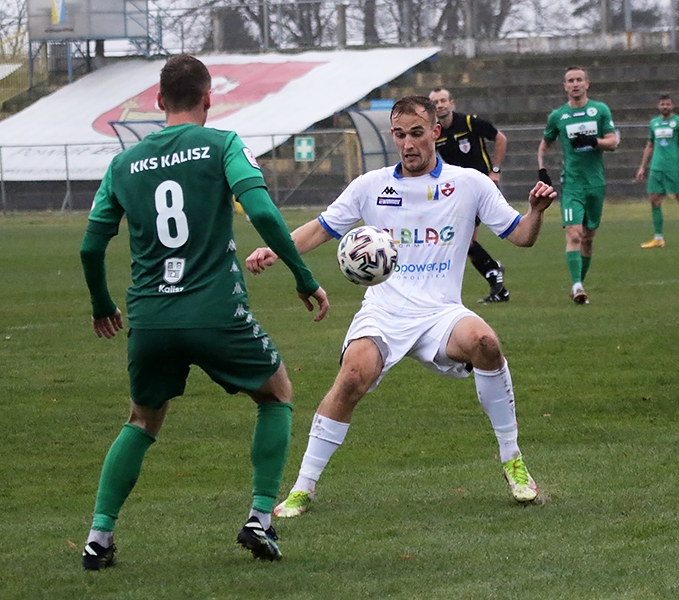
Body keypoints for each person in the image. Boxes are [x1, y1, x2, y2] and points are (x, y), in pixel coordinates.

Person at [246, 95, 556, 517]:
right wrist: (274, 249)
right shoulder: (370, 186)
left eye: (416, 133)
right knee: (352, 378)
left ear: (436, 133)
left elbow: (522, 236)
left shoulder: (470, 184)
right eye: (400, 134)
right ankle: (303, 488)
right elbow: (320, 230)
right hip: (384, 311)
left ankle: (513, 461)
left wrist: (535, 211)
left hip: (441, 312)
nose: (408, 143)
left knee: (485, 342)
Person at [79, 54, 329, 569]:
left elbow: (90, 246)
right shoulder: (223, 145)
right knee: (276, 391)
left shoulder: (123, 163)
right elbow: (259, 210)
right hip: (215, 312)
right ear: (209, 99)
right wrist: (304, 277)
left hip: (149, 319)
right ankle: (261, 516)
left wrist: (102, 302)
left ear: (158, 102)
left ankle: (99, 537)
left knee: (142, 420)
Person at [537, 66, 618, 305]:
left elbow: (613, 143)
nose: (575, 84)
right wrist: (542, 171)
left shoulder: (599, 110)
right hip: (571, 184)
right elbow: (544, 145)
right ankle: (577, 285)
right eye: (570, 80)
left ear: (587, 84)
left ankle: (578, 284)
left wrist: (594, 141)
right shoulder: (558, 116)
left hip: (596, 183)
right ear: (565, 86)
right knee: (574, 234)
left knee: (588, 238)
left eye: (579, 80)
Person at [429, 87, 511, 303]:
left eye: (443, 100)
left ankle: (493, 271)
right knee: (463, 240)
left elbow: (501, 138)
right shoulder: (435, 133)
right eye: (435, 102)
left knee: (463, 238)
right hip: (460, 191)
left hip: (482, 187)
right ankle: (496, 280)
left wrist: (495, 170)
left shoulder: (469, 122)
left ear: (451, 103)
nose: (439, 105)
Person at [635, 94, 679, 249]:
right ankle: (658, 238)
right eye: (662, 104)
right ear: (658, 106)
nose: (664, 106)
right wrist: (642, 167)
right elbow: (650, 145)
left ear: (672, 106)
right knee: (654, 200)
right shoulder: (654, 123)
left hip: (673, 166)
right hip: (656, 167)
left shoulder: (678, 122)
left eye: (667, 104)